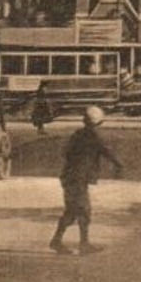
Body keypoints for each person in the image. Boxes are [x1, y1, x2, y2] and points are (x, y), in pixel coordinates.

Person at [49, 106, 123, 256]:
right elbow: (107, 152)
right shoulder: (95, 136)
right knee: (83, 211)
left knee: (72, 211)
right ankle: (82, 244)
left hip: (70, 176)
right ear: (99, 122)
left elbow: (66, 152)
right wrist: (119, 166)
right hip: (78, 178)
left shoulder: (77, 134)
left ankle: (58, 241)